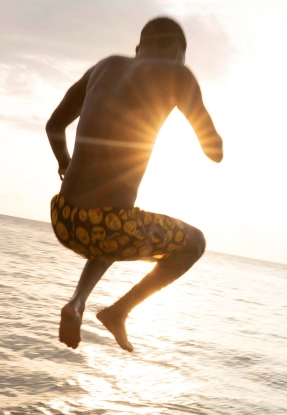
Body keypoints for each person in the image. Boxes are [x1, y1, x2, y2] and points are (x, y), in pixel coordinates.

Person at [46, 16, 223, 352]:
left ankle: (78, 302)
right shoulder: (178, 75)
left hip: (65, 219)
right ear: (178, 53)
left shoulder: (104, 67)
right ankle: (118, 311)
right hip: (107, 228)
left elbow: (54, 125)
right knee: (194, 243)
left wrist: (64, 163)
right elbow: (214, 152)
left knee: (123, 221)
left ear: (139, 48)